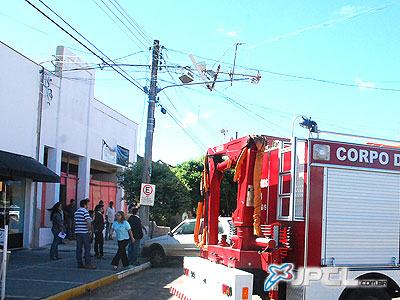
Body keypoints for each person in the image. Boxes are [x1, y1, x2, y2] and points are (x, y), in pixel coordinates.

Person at [74, 199, 96, 269]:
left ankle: (79, 263)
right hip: (84, 232)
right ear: (85, 205)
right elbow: (88, 221)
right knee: (87, 248)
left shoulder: (76, 212)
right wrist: (89, 230)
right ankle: (88, 263)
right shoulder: (85, 212)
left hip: (78, 231)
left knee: (79, 248)